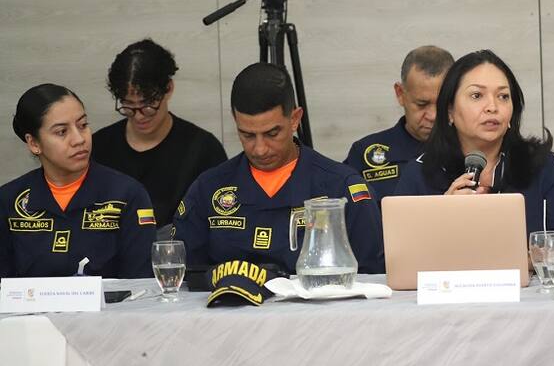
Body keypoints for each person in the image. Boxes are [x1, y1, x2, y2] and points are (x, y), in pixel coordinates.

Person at [174, 63, 384, 273]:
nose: (260, 149)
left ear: (294, 119)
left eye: (272, 134)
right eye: (247, 135)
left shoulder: (341, 188)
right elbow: (184, 280)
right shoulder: (208, 189)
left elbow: (372, 279)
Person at [394, 49, 554, 236]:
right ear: (449, 111)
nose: (492, 107)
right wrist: (443, 218)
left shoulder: (541, 167)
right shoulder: (419, 174)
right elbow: (398, 259)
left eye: (503, 97)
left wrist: (532, 257)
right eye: (477, 96)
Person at [0, 84, 155, 278]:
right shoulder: (8, 200)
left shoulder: (127, 194)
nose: (79, 139)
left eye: (82, 126)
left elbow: (142, 285)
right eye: (62, 132)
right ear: (34, 143)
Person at [92, 39, 226, 237]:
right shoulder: (99, 147)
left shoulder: (202, 149)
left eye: (148, 104)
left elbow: (220, 222)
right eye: (128, 106)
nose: (138, 115)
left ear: (169, 89)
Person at [344, 45, 454, 204]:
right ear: (400, 94)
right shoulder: (365, 153)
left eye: (443, 104)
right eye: (422, 104)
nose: (433, 116)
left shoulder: (473, 151)